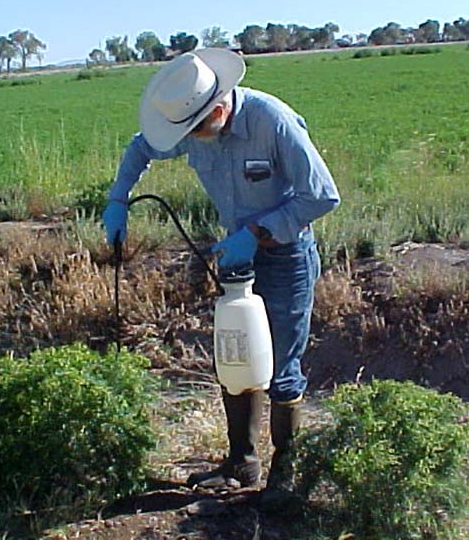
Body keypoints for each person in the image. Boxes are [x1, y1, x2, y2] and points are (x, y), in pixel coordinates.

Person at [101, 48, 340, 508]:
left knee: (281, 367)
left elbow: (322, 197)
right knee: (237, 358)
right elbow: (140, 147)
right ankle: (241, 463)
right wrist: (118, 197)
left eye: (196, 131)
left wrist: (258, 232)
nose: (190, 141)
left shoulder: (274, 122)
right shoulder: (190, 124)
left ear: (217, 108)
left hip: (286, 254)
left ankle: (284, 476)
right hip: (236, 255)